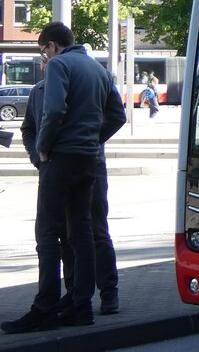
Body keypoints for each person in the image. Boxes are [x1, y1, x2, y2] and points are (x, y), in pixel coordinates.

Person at [1, 22, 125, 334]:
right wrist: (93, 140)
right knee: (81, 232)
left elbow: (54, 111)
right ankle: (80, 306)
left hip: (60, 159)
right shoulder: (99, 70)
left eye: (44, 50)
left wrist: (43, 150)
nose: (45, 56)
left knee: (47, 233)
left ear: (52, 46)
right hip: (87, 160)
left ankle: (45, 307)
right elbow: (118, 115)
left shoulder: (59, 65)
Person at [20, 78, 121, 318]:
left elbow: (116, 116)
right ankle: (74, 294)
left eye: (47, 53)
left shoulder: (86, 83)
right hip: (53, 167)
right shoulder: (40, 89)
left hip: (89, 163)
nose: (46, 61)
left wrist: (90, 141)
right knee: (67, 233)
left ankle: (108, 291)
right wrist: (39, 156)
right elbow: (29, 128)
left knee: (94, 230)